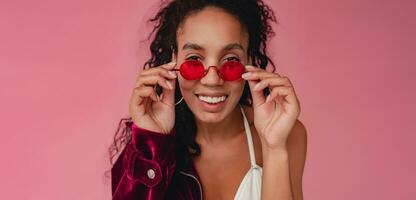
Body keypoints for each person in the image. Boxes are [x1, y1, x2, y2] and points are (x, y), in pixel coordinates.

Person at [109, 0, 307, 199]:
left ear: (248, 61)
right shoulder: (144, 145)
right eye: (194, 59)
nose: (212, 80)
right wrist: (153, 143)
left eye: (231, 60)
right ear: (174, 60)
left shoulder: (285, 133)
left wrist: (274, 148)